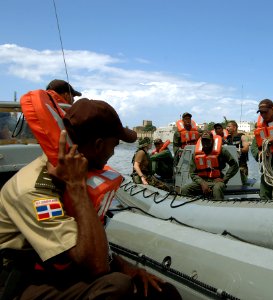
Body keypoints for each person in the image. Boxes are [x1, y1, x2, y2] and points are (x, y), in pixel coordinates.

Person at [0, 99, 180, 299]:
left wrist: (127, 267)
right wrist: (76, 187)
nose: (113, 152)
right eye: (114, 145)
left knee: (164, 293)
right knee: (118, 285)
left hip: (66, 268)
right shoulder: (36, 190)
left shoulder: (82, 172)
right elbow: (96, 266)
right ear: (98, 145)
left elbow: (91, 243)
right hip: (26, 281)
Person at [181, 131, 239, 200]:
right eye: (203, 140)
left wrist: (224, 179)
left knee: (217, 189)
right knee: (185, 189)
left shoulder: (222, 151)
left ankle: (218, 207)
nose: (205, 142)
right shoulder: (196, 154)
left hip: (217, 182)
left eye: (207, 140)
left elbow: (234, 165)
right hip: (202, 181)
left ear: (212, 140)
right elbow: (193, 173)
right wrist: (202, 183)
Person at [226, 120, 249, 185]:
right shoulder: (227, 138)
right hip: (231, 167)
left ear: (234, 127)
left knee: (242, 184)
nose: (227, 128)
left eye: (229, 126)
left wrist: (236, 150)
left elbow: (246, 148)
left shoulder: (242, 137)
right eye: (227, 127)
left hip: (241, 166)